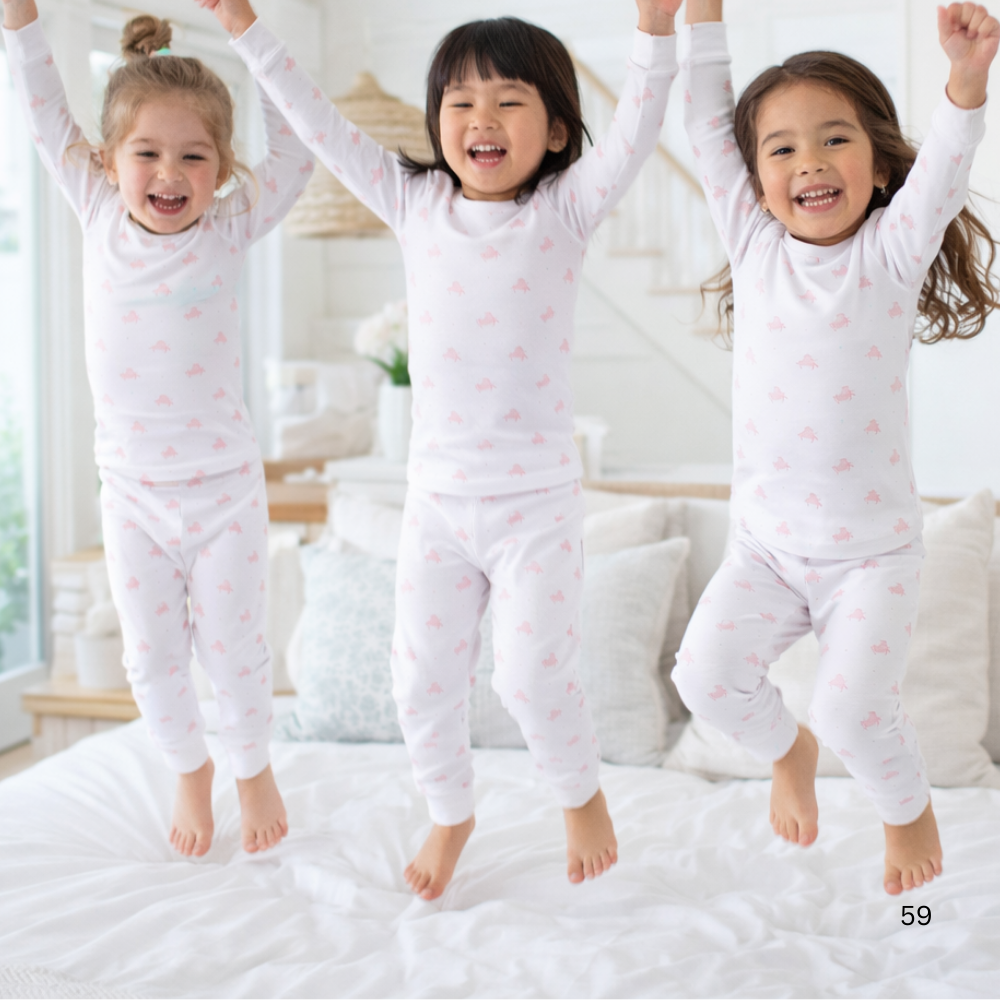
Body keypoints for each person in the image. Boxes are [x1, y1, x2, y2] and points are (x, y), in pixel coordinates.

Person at [200, 0, 682, 899]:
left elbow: (639, 132)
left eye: (507, 102)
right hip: (438, 505)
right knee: (418, 680)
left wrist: (654, 35)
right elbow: (318, 122)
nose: (480, 121)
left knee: (532, 678)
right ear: (435, 124)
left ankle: (580, 795)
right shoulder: (411, 201)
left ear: (557, 129)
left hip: (535, 504)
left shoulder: (565, 209)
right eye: (459, 103)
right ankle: (449, 811)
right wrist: (244, 30)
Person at [671, 0, 998, 895]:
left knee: (857, 716)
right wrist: (701, 16)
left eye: (834, 140)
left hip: (873, 557)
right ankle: (790, 750)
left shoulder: (891, 254)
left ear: (879, 163)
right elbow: (705, 118)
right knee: (703, 679)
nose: (809, 162)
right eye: (781, 149)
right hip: (767, 549)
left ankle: (908, 813)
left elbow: (945, 167)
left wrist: (965, 83)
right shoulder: (753, 246)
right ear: (757, 178)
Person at [1, 0, 315, 857]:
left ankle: (251, 766)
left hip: (222, 495)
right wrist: (23, 21)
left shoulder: (231, 227)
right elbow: (38, 101)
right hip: (133, 495)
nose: (169, 173)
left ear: (221, 169)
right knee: (151, 658)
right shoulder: (96, 209)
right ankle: (189, 766)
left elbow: (296, 147)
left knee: (236, 649)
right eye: (147, 152)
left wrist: (250, 35)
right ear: (107, 161)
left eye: (194, 155)